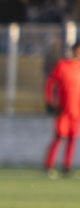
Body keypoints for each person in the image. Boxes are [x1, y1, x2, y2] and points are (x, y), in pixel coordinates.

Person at [44, 43, 80, 178]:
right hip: (63, 110)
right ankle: (49, 166)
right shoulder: (63, 66)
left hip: (76, 111)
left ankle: (67, 168)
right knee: (59, 137)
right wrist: (50, 101)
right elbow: (51, 82)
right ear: (73, 51)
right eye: (77, 50)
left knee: (73, 139)